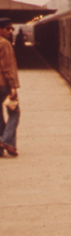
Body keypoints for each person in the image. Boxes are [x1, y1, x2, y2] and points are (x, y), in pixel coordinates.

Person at [0, 18, 20, 156]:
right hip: (4, 85)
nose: (10, 31)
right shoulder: (5, 44)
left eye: (12, 29)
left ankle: (8, 148)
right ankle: (6, 141)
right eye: (7, 28)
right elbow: (8, 67)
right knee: (15, 113)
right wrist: (13, 86)